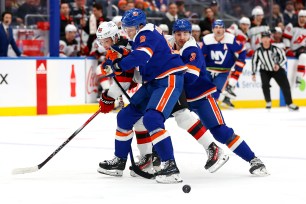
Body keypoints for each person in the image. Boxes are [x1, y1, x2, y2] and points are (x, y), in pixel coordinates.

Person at [97, 8, 187, 184]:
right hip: (153, 82)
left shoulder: (147, 33)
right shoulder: (140, 36)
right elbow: (139, 61)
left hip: (169, 79)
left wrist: (118, 65)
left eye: (130, 29)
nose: (127, 32)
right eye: (125, 28)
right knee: (125, 116)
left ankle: (171, 166)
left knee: (152, 119)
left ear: (140, 26)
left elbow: (141, 55)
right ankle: (119, 161)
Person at [171, 19, 269, 176]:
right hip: (179, 97)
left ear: (190, 34)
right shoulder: (170, 43)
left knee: (220, 132)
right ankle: (153, 158)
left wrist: (172, 60)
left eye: (185, 33)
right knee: (154, 118)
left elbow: (189, 78)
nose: (181, 37)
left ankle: (253, 159)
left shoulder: (192, 50)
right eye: (178, 33)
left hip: (200, 96)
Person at [202, 19, 246, 109]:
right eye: (216, 27)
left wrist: (240, 61)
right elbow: (202, 55)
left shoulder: (230, 39)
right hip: (208, 70)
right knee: (204, 90)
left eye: (221, 27)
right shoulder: (207, 39)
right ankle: (204, 110)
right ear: (213, 29)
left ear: (224, 29)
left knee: (216, 90)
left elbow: (242, 49)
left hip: (223, 71)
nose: (218, 29)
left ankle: (211, 110)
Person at [251, 31, 299, 111]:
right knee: (265, 85)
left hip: (278, 70)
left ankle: (290, 103)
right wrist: (253, 73)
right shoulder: (258, 51)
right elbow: (254, 62)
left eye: (267, 38)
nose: (265, 40)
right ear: (261, 39)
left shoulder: (276, 49)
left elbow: (284, 58)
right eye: (264, 38)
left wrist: (278, 65)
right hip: (265, 70)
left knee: (285, 86)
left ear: (270, 39)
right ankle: (268, 102)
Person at [283, 10, 306, 88]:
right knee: (303, 56)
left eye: (305, 17)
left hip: (303, 48)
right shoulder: (291, 25)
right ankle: (298, 79)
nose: (303, 19)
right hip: (294, 49)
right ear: (298, 17)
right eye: (301, 17)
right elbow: (286, 38)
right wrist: (288, 49)